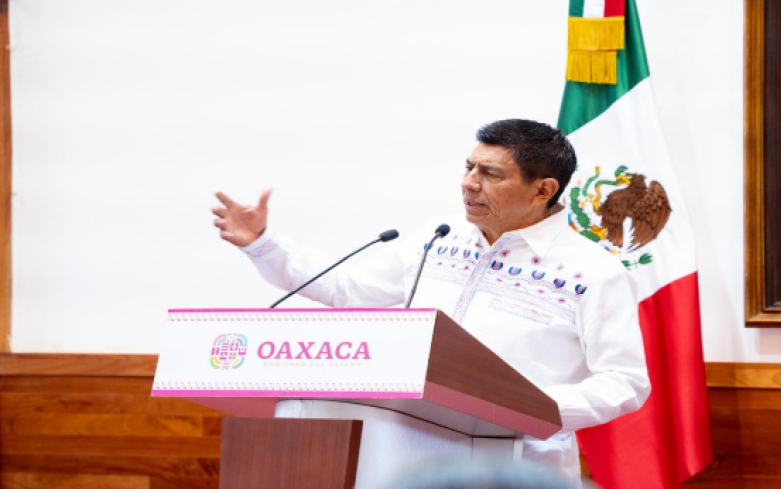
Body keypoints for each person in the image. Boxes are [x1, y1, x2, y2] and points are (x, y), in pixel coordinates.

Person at [212, 119, 650, 483]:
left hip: (513, 463)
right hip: (405, 455)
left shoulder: (593, 271)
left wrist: (534, 408)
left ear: (542, 190)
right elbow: (346, 290)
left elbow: (625, 380)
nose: (469, 183)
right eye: (469, 167)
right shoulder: (439, 237)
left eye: (490, 174)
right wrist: (263, 244)